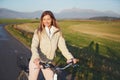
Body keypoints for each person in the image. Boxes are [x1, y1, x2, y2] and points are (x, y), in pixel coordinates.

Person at [28, 10, 78, 80]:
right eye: (44, 19)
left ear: (52, 19)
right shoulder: (38, 31)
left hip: (48, 62)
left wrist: (70, 58)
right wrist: (36, 57)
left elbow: (63, 48)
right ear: (42, 20)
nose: (46, 21)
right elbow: (34, 46)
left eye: (48, 19)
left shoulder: (57, 32)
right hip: (36, 61)